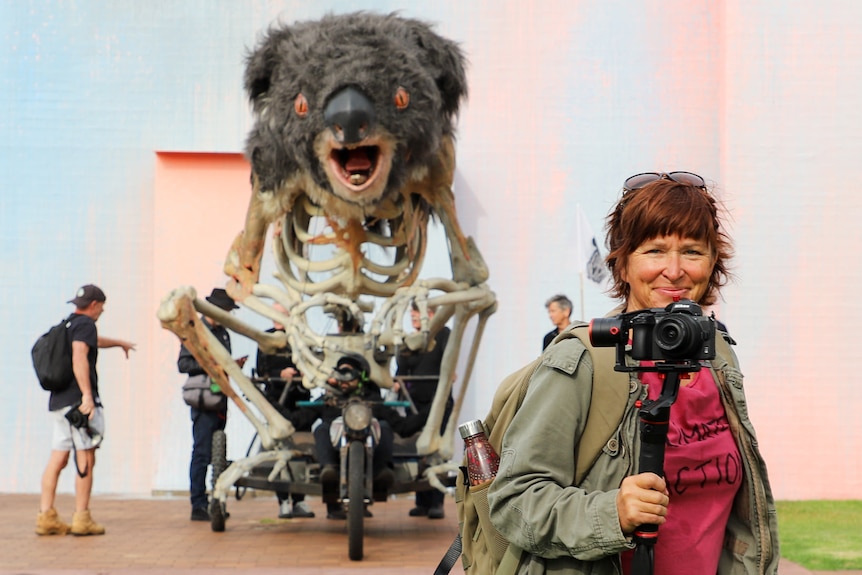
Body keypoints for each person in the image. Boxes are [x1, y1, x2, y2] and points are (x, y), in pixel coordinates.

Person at [487, 172, 779, 574]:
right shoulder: (584, 360)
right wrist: (612, 513)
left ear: (714, 263)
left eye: (692, 251)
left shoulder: (719, 355)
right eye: (655, 251)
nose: (674, 271)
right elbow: (514, 501)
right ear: (623, 265)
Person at [36, 284, 136, 536]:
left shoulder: (69, 324)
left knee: (57, 458)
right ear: (95, 305)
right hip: (77, 405)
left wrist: (118, 343)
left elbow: (90, 342)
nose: (102, 311)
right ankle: (82, 517)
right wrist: (87, 397)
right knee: (86, 457)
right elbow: (80, 355)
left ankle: (46, 516)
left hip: (58, 403)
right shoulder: (86, 325)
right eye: (101, 306)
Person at [285, 353, 401, 520]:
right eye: (341, 372)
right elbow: (296, 420)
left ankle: (381, 470)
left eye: (349, 372)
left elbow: (402, 425)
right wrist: (267, 402)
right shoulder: (328, 399)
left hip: (369, 456)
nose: (344, 378)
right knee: (322, 429)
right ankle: (329, 468)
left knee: (384, 426)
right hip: (336, 453)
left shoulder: (373, 400)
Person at [178, 287, 246, 522]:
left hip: (219, 397)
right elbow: (183, 364)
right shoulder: (195, 331)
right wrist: (212, 365)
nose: (228, 315)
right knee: (202, 451)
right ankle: (198, 503)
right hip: (204, 399)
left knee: (217, 451)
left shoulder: (223, 333)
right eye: (226, 311)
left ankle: (215, 502)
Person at [255, 303, 314, 519]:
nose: (277, 318)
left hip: (300, 401)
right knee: (280, 449)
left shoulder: (300, 337)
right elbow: (262, 370)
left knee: (303, 446)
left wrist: (298, 372)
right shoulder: (265, 338)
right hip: (277, 403)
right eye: (274, 314)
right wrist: (280, 372)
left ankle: (300, 500)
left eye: (282, 314)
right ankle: (283, 501)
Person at [395, 303, 452, 519]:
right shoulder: (409, 340)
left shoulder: (443, 334)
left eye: (417, 314)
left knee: (435, 450)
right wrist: (397, 382)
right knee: (417, 447)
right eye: (412, 314)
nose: (414, 318)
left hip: (438, 402)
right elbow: (402, 367)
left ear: (430, 315)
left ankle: (436, 501)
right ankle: (422, 500)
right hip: (414, 403)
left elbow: (450, 357)